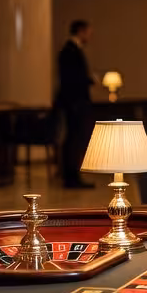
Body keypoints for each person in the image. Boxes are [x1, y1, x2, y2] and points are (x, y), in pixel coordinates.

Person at [57, 20, 95, 189]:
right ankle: (71, 177)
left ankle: (72, 175)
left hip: (74, 102)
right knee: (74, 139)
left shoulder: (71, 50)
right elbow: (72, 79)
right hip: (75, 103)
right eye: (88, 32)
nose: (89, 35)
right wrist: (88, 80)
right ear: (80, 31)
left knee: (74, 139)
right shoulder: (70, 51)